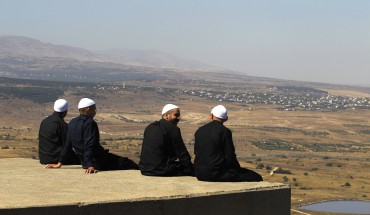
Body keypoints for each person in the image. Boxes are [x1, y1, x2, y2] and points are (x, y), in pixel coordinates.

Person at [45, 98, 138, 173]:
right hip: (98, 161)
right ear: (88, 109)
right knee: (128, 163)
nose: (95, 111)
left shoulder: (72, 122)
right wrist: (90, 165)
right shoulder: (90, 123)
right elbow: (89, 145)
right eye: (94, 109)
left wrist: (59, 163)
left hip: (85, 162)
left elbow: (67, 145)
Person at [194, 105, 263, 182]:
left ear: (212, 116)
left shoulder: (200, 130)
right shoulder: (225, 132)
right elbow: (229, 156)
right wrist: (236, 170)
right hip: (216, 174)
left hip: (198, 173)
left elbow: (197, 151)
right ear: (226, 119)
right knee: (256, 177)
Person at [139, 104, 194, 176]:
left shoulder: (150, 127)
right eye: (176, 115)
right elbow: (182, 153)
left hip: (145, 169)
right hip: (162, 170)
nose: (178, 118)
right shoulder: (172, 129)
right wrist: (190, 168)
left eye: (179, 115)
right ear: (166, 115)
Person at [38, 99, 80, 165]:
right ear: (65, 111)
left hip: (43, 158)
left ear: (54, 108)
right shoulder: (62, 124)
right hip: (57, 159)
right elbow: (68, 144)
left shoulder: (44, 121)